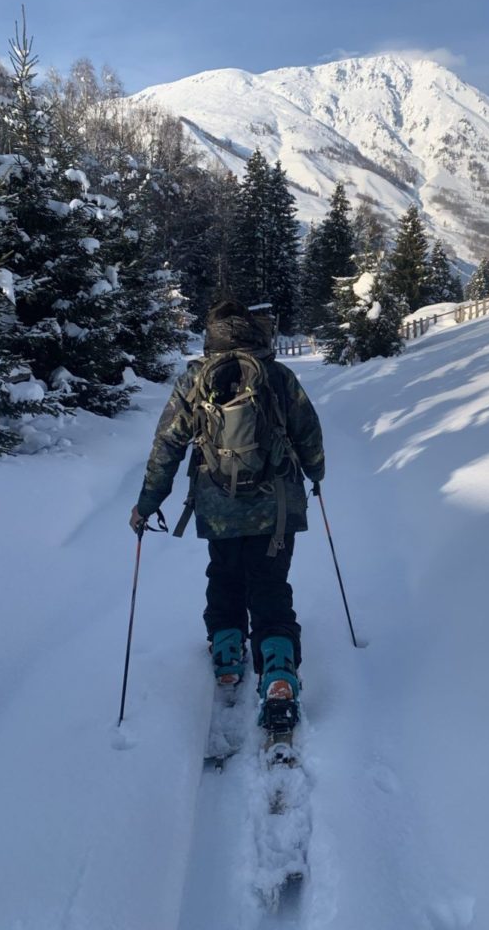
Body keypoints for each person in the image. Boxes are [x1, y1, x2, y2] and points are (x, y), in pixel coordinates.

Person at [130, 299, 325, 728]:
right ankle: (277, 671)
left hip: (217, 505)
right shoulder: (277, 375)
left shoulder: (194, 380)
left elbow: (167, 446)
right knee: (270, 581)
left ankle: (226, 649)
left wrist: (148, 504)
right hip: (275, 504)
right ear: (255, 331)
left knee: (224, 573)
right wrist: (316, 474)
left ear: (212, 333)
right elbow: (308, 432)